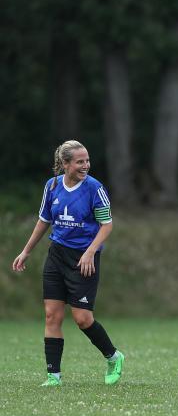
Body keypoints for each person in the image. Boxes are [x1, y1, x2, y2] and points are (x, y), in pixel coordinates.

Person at [12, 140, 125, 387]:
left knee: (83, 318)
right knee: (52, 315)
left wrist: (90, 252)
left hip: (84, 258)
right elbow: (44, 221)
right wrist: (26, 251)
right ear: (65, 164)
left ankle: (114, 357)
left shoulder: (95, 188)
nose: (86, 165)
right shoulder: (52, 186)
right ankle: (53, 376)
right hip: (57, 256)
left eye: (87, 160)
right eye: (80, 161)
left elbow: (107, 225)